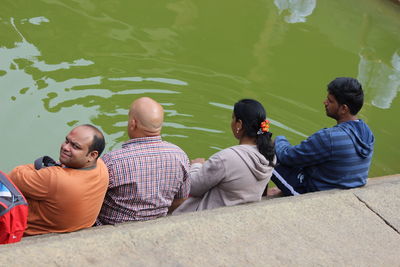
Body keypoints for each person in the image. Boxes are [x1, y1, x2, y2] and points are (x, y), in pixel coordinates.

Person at [270, 77, 375, 196]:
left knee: (264, 151)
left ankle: (258, 197)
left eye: (330, 101)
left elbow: (288, 156)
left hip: (314, 192)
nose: (325, 102)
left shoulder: (330, 137)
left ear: (344, 109)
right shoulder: (367, 132)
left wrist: (279, 140)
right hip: (344, 186)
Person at [95, 97, 190, 225]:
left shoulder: (112, 161)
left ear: (133, 123)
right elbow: (180, 200)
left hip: (110, 227)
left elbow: (90, 200)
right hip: (156, 224)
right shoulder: (179, 156)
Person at [173, 99, 276, 214]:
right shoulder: (270, 154)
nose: (231, 122)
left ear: (239, 124)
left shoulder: (226, 158)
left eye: (233, 118)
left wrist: (196, 166)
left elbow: (192, 188)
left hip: (207, 216)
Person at [9, 124, 109, 235]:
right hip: (75, 230)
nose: (66, 147)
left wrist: (45, 170)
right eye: (67, 141)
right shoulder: (101, 167)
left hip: (31, 235)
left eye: (75, 146)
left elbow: (14, 176)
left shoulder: (55, 178)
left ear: (92, 155)